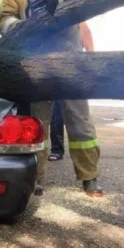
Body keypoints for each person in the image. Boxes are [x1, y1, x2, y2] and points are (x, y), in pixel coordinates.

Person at [0, 0, 103, 197]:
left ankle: (89, 177)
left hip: (70, 61)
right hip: (37, 64)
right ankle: (36, 179)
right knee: (36, 125)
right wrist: (18, 27)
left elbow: (85, 3)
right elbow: (3, 19)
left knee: (80, 122)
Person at [49, 24, 95, 162]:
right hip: (49, 75)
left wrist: (88, 69)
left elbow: (90, 49)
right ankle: (57, 149)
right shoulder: (45, 24)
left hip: (73, 76)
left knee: (78, 119)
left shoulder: (80, 24)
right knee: (55, 116)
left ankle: (89, 173)